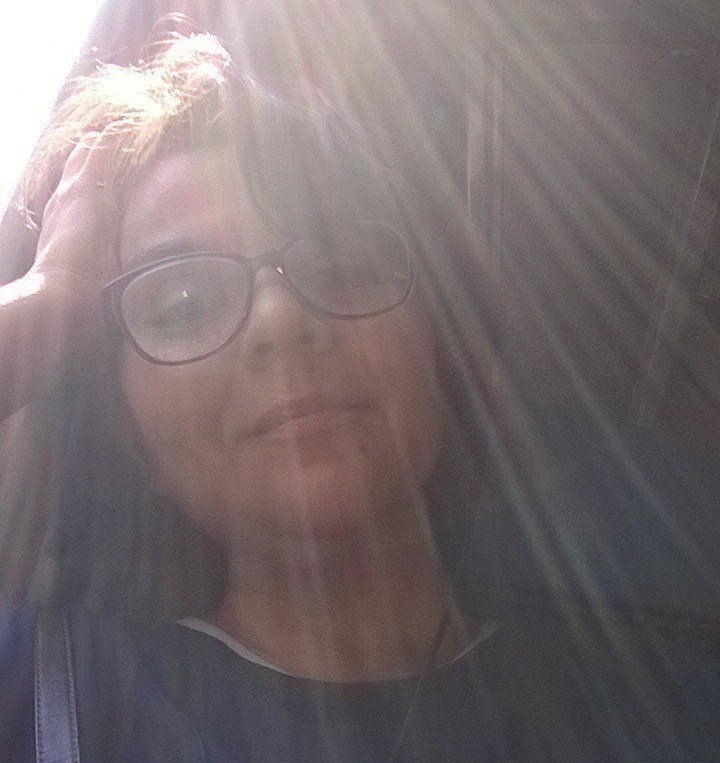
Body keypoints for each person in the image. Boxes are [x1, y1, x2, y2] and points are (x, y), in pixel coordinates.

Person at [1, 32, 719, 763]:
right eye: (183, 303)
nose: (281, 320)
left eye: (342, 261)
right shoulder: (41, 688)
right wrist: (48, 299)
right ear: (127, 435)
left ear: (436, 344)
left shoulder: (661, 701)